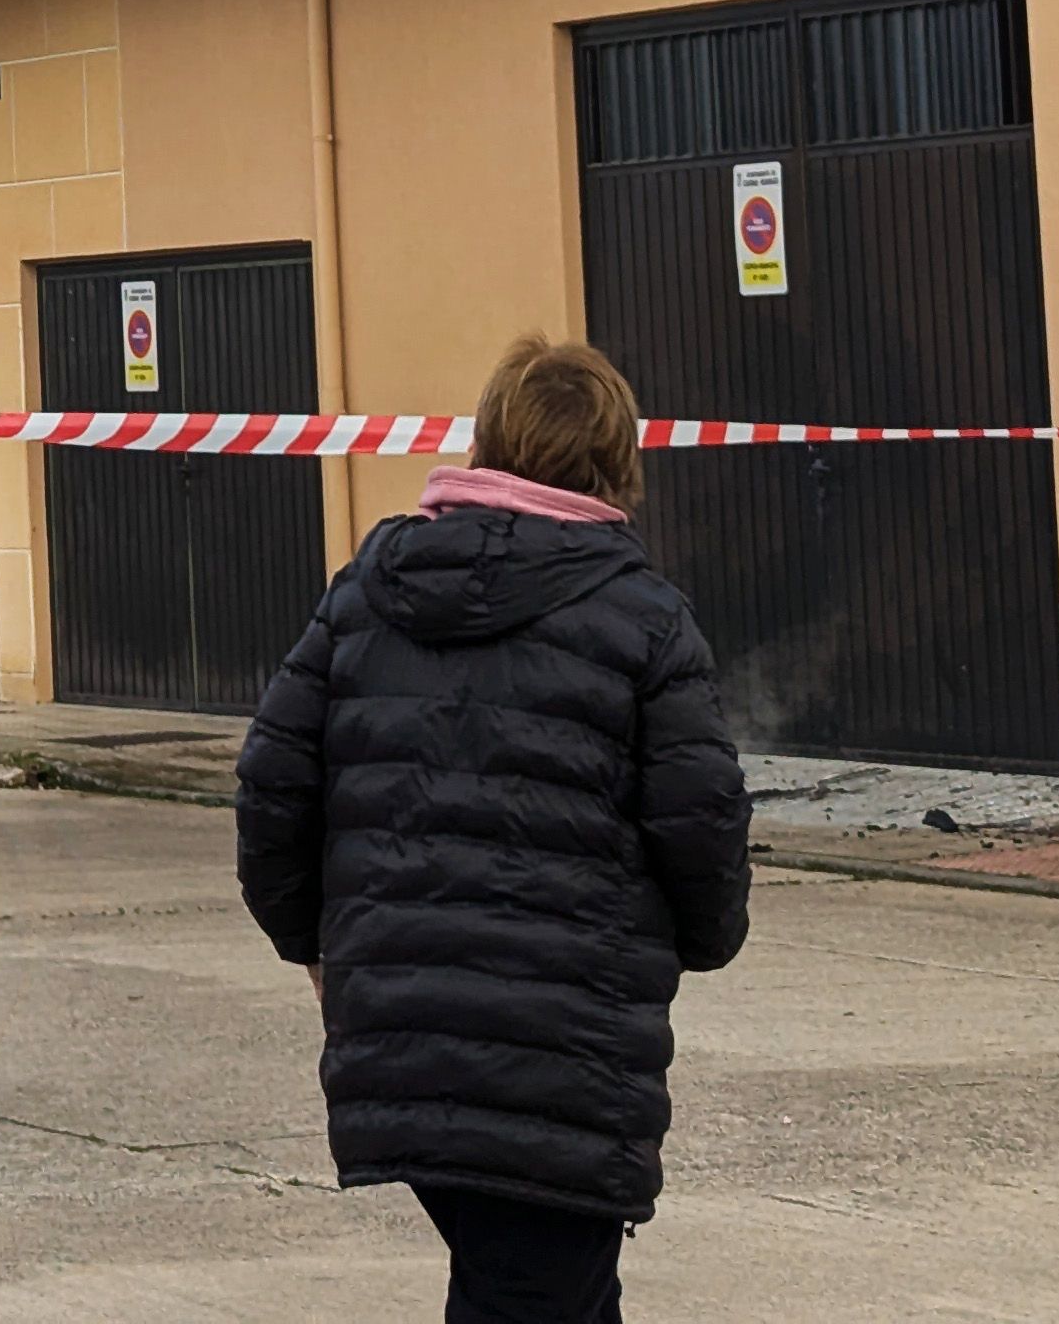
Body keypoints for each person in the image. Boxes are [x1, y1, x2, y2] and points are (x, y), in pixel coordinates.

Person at [233, 336, 752, 1324]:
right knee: (537, 1292)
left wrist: (316, 945)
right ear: (617, 459)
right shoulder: (644, 619)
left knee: (529, 1288)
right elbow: (703, 819)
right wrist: (703, 937)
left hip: (403, 1032)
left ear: (485, 443)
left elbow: (270, 782)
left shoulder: (365, 592)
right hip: (562, 1049)